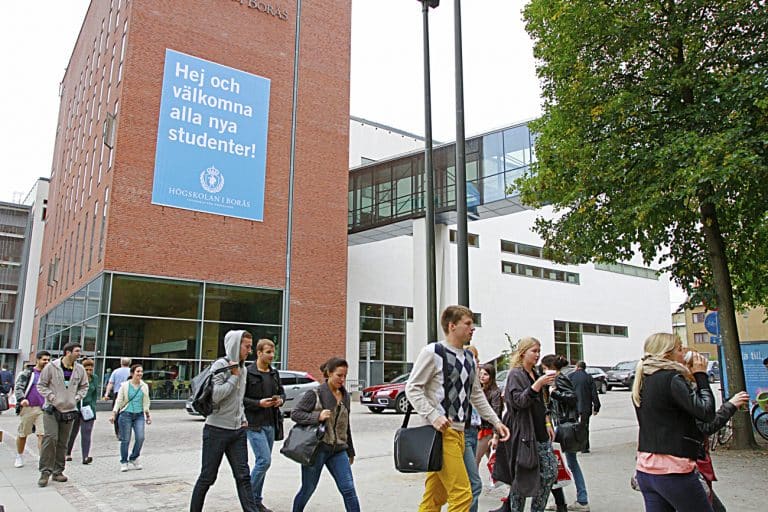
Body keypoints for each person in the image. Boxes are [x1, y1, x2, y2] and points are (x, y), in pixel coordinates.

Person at [405, 305, 510, 512]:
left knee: (435, 496)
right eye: (468, 323)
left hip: (462, 433)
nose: (473, 328)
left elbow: (476, 395)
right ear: (452, 326)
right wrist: (434, 416)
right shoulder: (432, 352)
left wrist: (497, 422)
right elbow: (412, 388)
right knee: (463, 495)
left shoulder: (470, 358)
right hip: (441, 434)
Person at [632, 333, 716, 512]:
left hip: (646, 469)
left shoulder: (642, 379)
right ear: (666, 354)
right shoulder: (672, 378)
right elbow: (706, 413)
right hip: (674, 470)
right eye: (679, 349)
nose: (683, 352)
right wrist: (701, 376)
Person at [190, 330, 258, 512]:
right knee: (207, 477)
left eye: (250, 346)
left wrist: (242, 418)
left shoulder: (243, 368)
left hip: (237, 431)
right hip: (216, 430)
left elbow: (239, 399)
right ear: (236, 345)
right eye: (247, 346)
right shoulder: (221, 365)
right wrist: (234, 376)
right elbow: (215, 396)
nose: (249, 351)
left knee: (243, 476)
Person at [492, 337, 558, 512]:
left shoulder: (535, 373)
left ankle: (537, 509)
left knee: (550, 472)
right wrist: (537, 385)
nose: (537, 355)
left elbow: (541, 403)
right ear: (523, 353)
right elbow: (518, 401)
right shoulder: (516, 374)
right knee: (521, 476)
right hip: (523, 433)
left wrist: (547, 421)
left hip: (539, 432)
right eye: (534, 351)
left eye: (539, 351)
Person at [291, 357, 360, 512]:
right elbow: (295, 414)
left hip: (338, 450)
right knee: (308, 489)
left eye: (345, 376)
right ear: (329, 373)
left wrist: (350, 451)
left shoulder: (345, 396)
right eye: (339, 375)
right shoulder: (314, 394)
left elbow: (345, 425)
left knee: (348, 489)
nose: (342, 380)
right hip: (317, 449)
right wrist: (317, 417)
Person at [36, 342, 90, 487]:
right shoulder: (51, 367)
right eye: (77, 351)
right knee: (50, 439)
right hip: (51, 409)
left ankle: (58, 471)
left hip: (69, 411)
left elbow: (85, 386)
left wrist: (76, 398)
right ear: (68, 352)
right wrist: (52, 397)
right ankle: (45, 472)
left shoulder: (79, 369)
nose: (80, 353)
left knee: (63, 442)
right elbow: (41, 385)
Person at [541, 354, 590, 512]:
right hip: (562, 425)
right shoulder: (558, 378)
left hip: (564, 426)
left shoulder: (559, 379)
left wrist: (554, 393)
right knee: (565, 462)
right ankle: (573, 499)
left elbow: (571, 398)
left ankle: (579, 500)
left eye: (543, 368)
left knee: (563, 462)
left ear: (549, 368)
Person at [243, 339, 285, 512]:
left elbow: (281, 392)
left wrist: (280, 400)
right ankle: (248, 500)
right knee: (264, 461)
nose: (271, 355)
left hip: (271, 424)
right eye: (268, 352)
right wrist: (258, 403)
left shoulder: (274, 373)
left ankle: (256, 501)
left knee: (264, 463)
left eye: (273, 352)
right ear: (259, 353)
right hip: (254, 424)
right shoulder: (248, 373)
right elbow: (241, 399)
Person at [109, 363, 151, 471]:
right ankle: (124, 461)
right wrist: (114, 413)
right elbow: (119, 401)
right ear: (132, 373)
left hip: (139, 415)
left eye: (141, 371)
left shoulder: (144, 386)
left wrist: (147, 414)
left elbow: (146, 401)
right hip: (126, 414)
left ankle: (134, 457)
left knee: (140, 437)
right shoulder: (125, 386)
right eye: (138, 371)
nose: (140, 373)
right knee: (125, 439)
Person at [13, 351, 51, 468]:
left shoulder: (48, 375)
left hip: (42, 409)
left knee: (42, 434)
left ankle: (41, 459)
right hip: (28, 407)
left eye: (48, 360)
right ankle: (19, 456)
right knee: (23, 433)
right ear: (38, 360)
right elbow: (18, 387)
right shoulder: (28, 373)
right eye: (44, 360)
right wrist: (22, 399)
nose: (46, 362)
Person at [66, 357, 99, 464]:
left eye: (91, 369)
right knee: (72, 432)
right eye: (86, 369)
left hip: (88, 409)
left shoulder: (94, 378)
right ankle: (67, 452)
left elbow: (95, 395)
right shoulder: (76, 378)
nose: (89, 372)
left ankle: (85, 456)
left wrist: (93, 408)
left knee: (86, 432)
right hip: (75, 407)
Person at [463, 344, 483, 512]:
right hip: (462, 432)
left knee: (469, 482)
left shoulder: (475, 381)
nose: (475, 361)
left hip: (474, 430)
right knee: (474, 483)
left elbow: (481, 403)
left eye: (476, 357)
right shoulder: (463, 380)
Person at [475, 363, 503, 471]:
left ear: (491, 376)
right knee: (493, 462)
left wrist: (495, 435)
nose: (482, 376)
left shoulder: (495, 392)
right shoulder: (480, 390)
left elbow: (497, 413)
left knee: (474, 461)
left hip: (488, 431)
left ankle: (473, 485)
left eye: (485, 374)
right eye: (480, 374)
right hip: (480, 429)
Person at [568, 361, 600, 454]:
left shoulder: (570, 376)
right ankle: (584, 447)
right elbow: (594, 393)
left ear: (577, 367)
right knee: (584, 426)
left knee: (573, 425)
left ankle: (574, 445)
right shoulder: (589, 377)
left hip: (573, 405)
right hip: (586, 406)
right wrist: (596, 406)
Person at [104, 357, 132, 439]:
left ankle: (118, 432)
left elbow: (110, 383)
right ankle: (125, 431)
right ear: (130, 363)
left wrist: (106, 394)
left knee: (117, 413)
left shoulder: (116, 372)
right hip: (129, 394)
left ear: (121, 363)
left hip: (117, 393)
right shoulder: (132, 372)